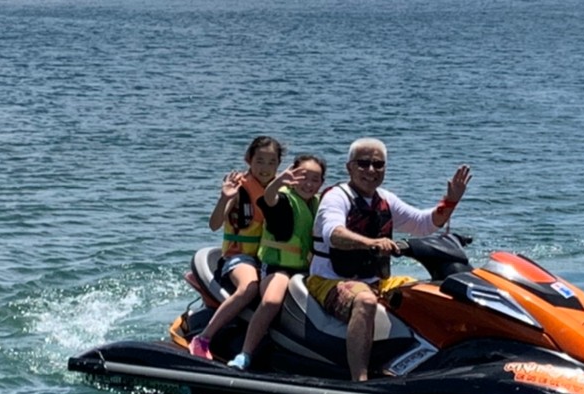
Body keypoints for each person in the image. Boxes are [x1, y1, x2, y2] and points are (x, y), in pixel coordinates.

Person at [306, 138, 471, 381]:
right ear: (349, 167)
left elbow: (424, 224)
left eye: (378, 164)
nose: (371, 170)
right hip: (329, 279)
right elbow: (334, 234)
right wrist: (371, 243)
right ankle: (359, 380)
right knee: (365, 301)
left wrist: (450, 201)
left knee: (432, 293)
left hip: (376, 280)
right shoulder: (336, 197)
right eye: (363, 164)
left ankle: (437, 363)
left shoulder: (384, 200)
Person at [228, 154, 328, 371]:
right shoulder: (282, 199)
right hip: (276, 269)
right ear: (291, 176)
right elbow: (269, 199)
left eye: (315, 179)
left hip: (305, 271)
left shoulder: (318, 204)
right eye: (303, 177)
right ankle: (245, 354)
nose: (309, 184)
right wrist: (279, 182)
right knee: (273, 300)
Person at [190, 135, 282, 360]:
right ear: (248, 160)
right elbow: (214, 225)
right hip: (239, 257)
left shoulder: (280, 188)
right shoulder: (238, 187)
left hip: (269, 258)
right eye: (260, 161)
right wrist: (224, 198)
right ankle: (204, 337)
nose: (265, 168)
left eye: (272, 163)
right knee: (250, 288)